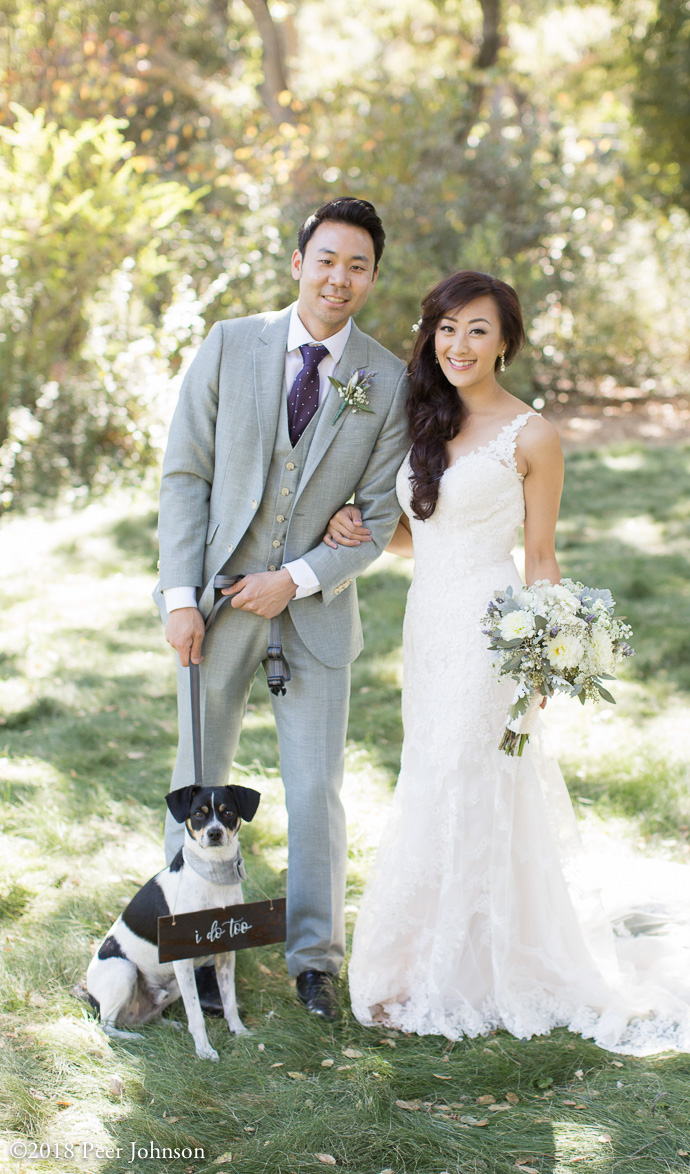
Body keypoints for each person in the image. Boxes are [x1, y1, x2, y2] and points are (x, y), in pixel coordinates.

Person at [324, 270, 690, 1054]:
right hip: (428, 628)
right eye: (446, 328)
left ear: (505, 341)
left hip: (490, 630)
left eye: (477, 329)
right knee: (432, 774)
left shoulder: (532, 435)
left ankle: (472, 969)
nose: (459, 344)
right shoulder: (423, 419)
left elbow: (539, 555)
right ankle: (437, 951)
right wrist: (359, 532)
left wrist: (542, 657)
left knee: (468, 776)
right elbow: (421, 533)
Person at [153, 197, 409, 1023]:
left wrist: (296, 578)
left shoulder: (388, 378)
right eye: (327, 259)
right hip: (218, 605)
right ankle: (182, 948)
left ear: (372, 278)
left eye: (358, 265)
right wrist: (180, 597)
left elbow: (378, 519)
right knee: (197, 780)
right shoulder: (231, 344)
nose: (340, 277)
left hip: (315, 616)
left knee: (315, 792)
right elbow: (185, 473)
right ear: (299, 262)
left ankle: (313, 965)